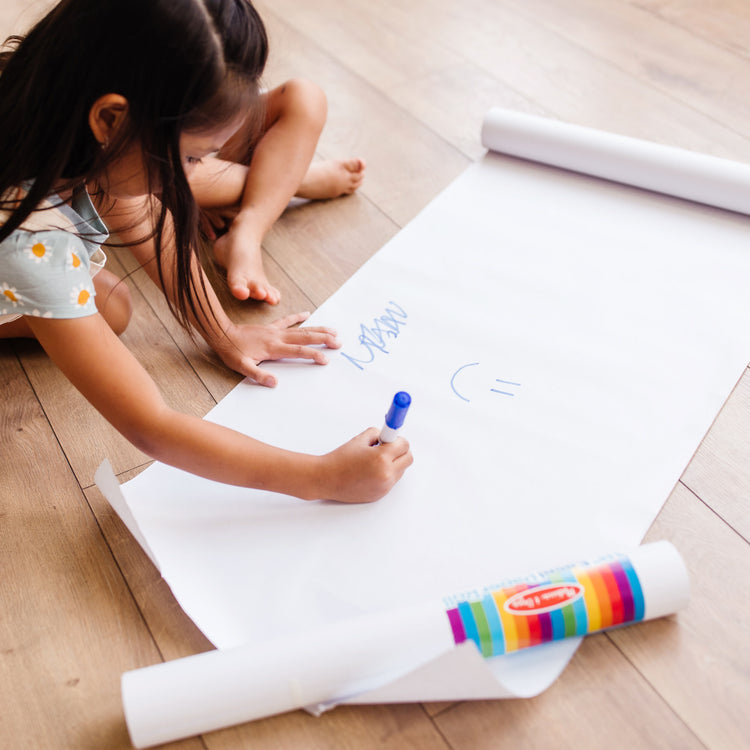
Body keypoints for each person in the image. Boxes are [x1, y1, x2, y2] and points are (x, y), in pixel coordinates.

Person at [0, 0, 412, 502]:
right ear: (110, 119)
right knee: (111, 308)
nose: (193, 174)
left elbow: (137, 209)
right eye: (192, 157)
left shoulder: (42, 95)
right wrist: (322, 478)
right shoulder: (29, 238)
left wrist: (223, 331)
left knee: (107, 300)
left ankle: (280, 182)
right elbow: (150, 424)